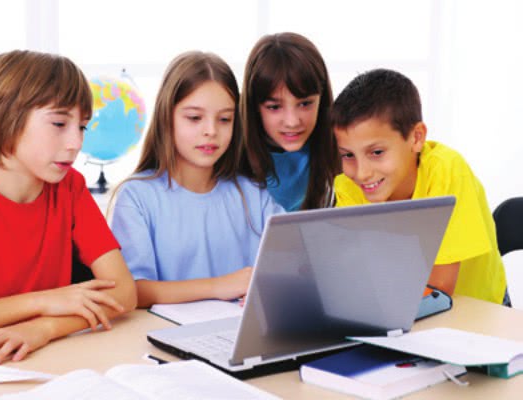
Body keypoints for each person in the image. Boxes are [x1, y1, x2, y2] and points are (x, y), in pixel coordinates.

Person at [0, 50, 137, 364]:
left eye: (82, 127)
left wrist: (45, 328)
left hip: (48, 362)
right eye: (60, 123)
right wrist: (41, 302)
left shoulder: (70, 188)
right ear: (4, 118)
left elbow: (124, 294)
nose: (76, 143)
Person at [110, 51, 283, 308]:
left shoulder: (252, 194)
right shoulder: (137, 196)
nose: (211, 131)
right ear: (166, 117)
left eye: (225, 119)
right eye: (194, 118)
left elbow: (292, 263)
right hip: (164, 336)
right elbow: (133, 291)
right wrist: (218, 286)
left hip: (238, 334)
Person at [332, 68, 507, 304]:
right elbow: (358, 274)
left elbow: (440, 291)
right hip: (405, 310)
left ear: (416, 138)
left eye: (376, 152)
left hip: (479, 311)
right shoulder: (347, 185)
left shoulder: (447, 171)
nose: (362, 173)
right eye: (348, 155)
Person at [240, 32, 340, 211]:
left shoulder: (339, 149)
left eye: (305, 104)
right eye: (274, 107)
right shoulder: (232, 154)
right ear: (254, 105)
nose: (292, 122)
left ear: (321, 99)